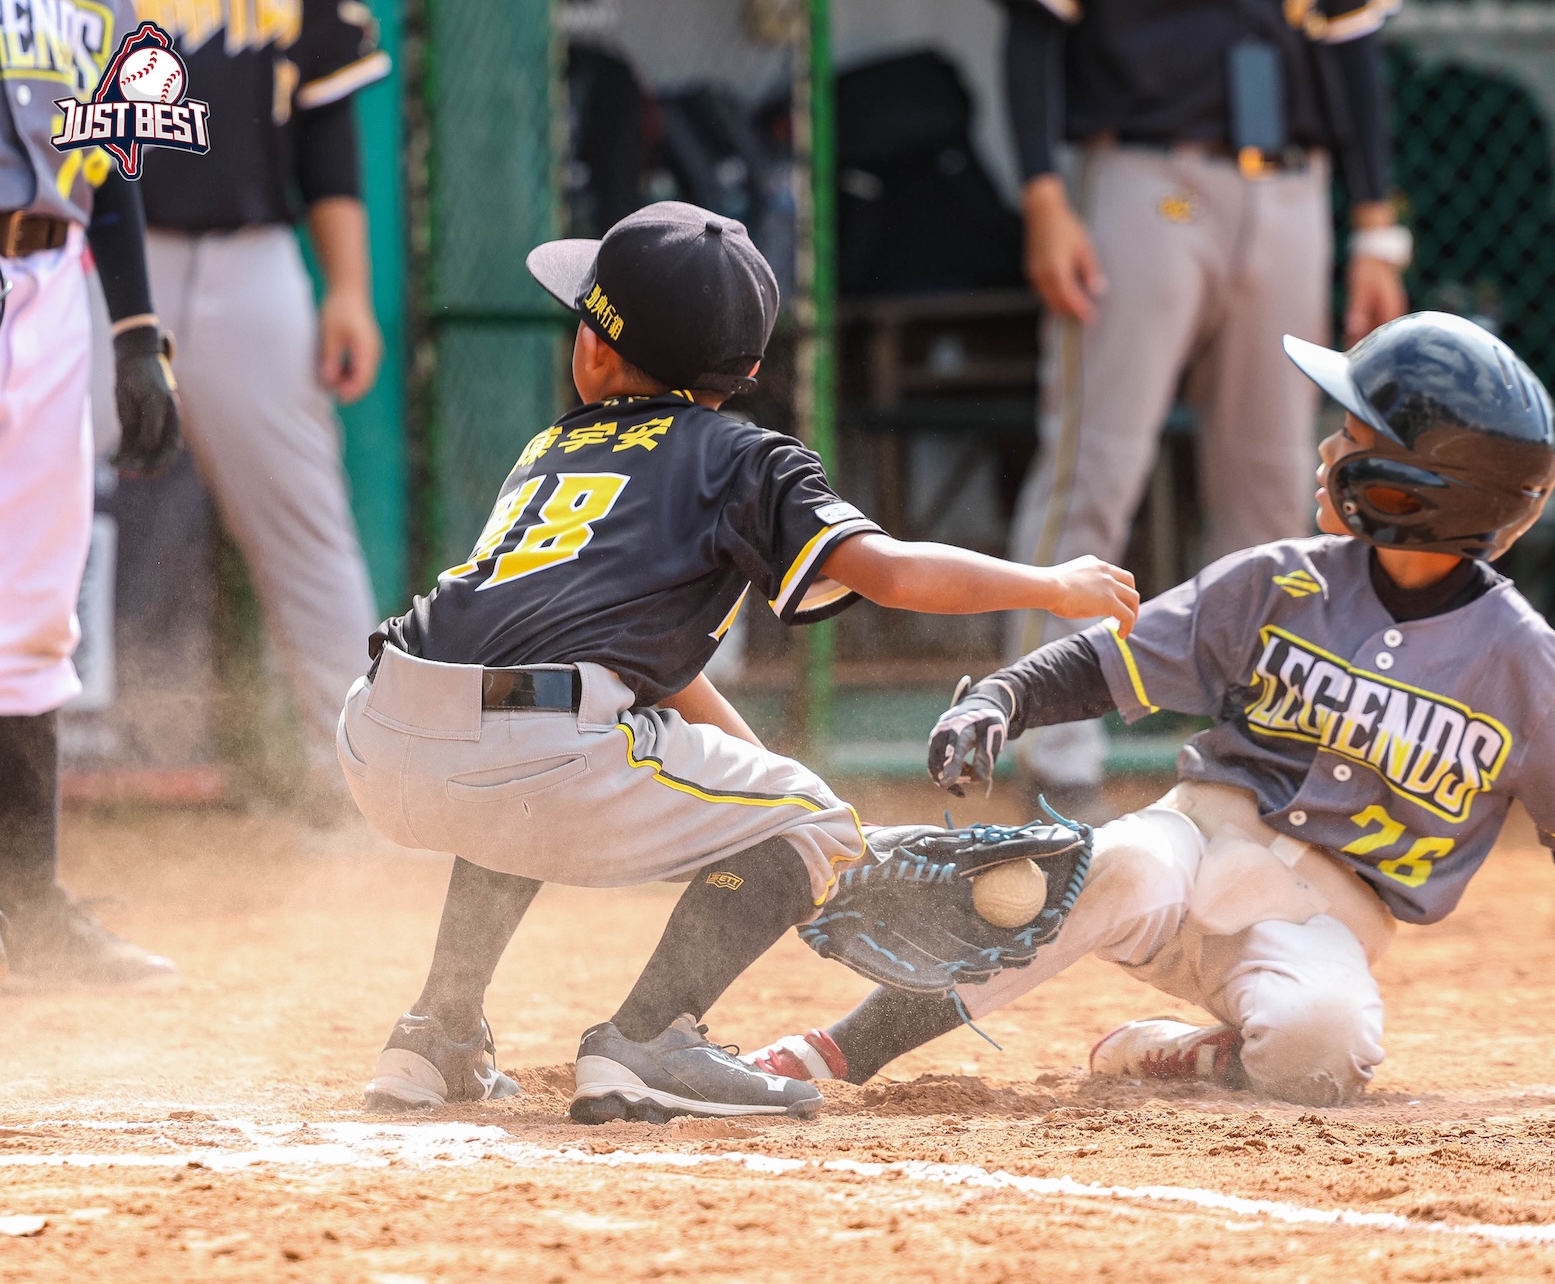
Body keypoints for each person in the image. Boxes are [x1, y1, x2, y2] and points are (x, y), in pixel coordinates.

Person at [748, 315, 1555, 1104]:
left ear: (1414, 494)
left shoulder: (1522, 664)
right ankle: (839, 1049)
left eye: (1357, 441)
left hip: (1325, 918)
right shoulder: (1278, 581)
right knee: (1108, 864)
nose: (1331, 448)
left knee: (1322, 1051)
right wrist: (1002, 697)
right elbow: (1113, 660)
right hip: (1193, 844)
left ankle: (1200, 1053)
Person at [341, 202, 1139, 1121]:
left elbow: (648, 673)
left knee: (532, 771)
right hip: (542, 743)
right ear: (751, 369)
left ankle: (436, 1032)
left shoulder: (551, 448)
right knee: (779, 813)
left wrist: (772, 804)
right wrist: (1048, 584)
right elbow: (884, 570)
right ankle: (648, 1038)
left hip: (382, 723)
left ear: (597, 354)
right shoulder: (743, 457)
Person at [987, 0, 1412, 815]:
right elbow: (1032, 27)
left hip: (1294, 186)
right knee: (1095, 466)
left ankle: (1257, 746)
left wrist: (1376, 229)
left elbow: (1350, 48)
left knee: (1272, 485)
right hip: (1146, 176)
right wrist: (1043, 195)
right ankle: (1051, 747)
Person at [119, 0, 392, 822]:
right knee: (25, 513)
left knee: (309, 531)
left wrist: (347, 287)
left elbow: (325, 120)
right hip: (94, 256)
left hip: (254, 259)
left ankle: (365, 789)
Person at [0, 0, 181, 986]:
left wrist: (135, 330)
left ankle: (28, 906)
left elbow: (113, 152)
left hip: (53, 284)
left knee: (27, 612)